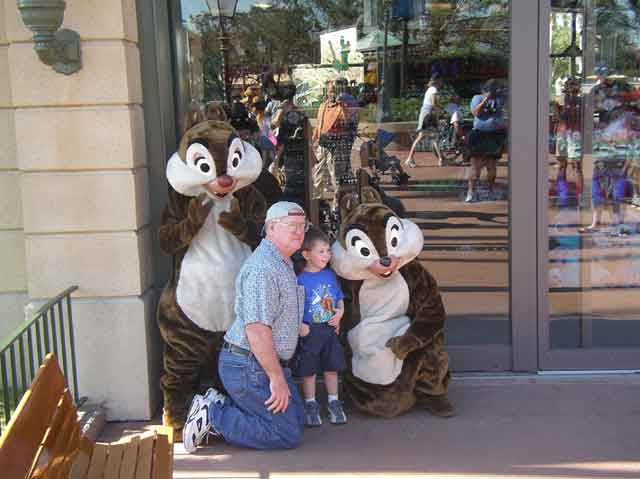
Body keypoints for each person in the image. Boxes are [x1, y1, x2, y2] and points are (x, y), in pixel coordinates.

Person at [182, 201, 309, 452]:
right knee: (285, 434)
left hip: (259, 361)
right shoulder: (263, 269)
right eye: (292, 225)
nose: (299, 231)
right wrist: (276, 378)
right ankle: (213, 415)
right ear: (271, 228)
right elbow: (257, 331)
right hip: (249, 365)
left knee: (298, 419)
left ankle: (223, 403)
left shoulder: (281, 261)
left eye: (303, 226)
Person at [292, 227, 347, 427]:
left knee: (332, 368)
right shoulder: (300, 280)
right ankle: (310, 404)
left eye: (328, 251)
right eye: (321, 251)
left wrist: (339, 314)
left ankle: (333, 402)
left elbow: (339, 298)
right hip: (311, 331)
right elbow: (293, 306)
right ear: (306, 255)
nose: (326, 255)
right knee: (309, 370)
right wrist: (300, 325)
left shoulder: (330, 276)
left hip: (329, 330)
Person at [466, 78, 507, 203]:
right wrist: (486, 99)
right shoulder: (477, 98)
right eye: (493, 88)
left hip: (496, 135)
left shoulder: (501, 98)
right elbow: (476, 113)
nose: (495, 91)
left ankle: (491, 190)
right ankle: (471, 192)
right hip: (479, 134)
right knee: (476, 166)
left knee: (491, 165)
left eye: (496, 88)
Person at [405, 73, 444, 168]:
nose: (442, 82)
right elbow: (434, 103)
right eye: (441, 80)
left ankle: (441, 159)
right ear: (438, 80)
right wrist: (442, 110)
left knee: (433, 136)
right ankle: (409, 159)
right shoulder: (433, 89)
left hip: (427, 113)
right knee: (423, 136)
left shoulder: (430, 89)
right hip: (428, 114)